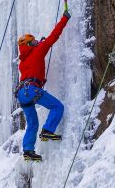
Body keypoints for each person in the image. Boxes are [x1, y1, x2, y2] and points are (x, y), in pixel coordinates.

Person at [16, 11, 71, 161]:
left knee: (33, 123)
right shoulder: (38, 51)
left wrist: (37, 45)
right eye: (32, 41)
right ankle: (48, 130)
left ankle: (28, 150)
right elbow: (54, 36)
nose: (36, 43)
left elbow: (34, 68)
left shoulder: (23, 61)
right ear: (28, 44)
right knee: (57, 107)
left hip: (22, 93)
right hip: (32, 90)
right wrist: (64, 19)